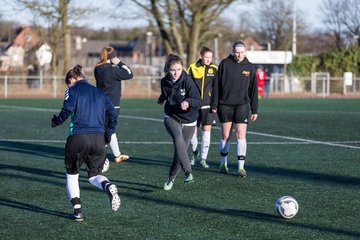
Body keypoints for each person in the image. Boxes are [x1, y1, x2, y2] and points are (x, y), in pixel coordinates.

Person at [51, 65, 121, 221]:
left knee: (72, 175)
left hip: (78, 138)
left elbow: (67, 109)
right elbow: (112, 115)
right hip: (98, 139)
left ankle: (77, 211)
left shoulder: (72, 90)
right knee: (95, 175)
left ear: (71, 80)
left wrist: (56, 121)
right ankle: (108, 186)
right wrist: (108, 135)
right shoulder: (99, 92)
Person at [211, 40, 258, 177]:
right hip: (225, 105)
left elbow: (253, 90)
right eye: (237, 52)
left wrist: (254, 109)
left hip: (242, 105)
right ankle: (223, 162)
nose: (239, 55)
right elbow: (217, 86)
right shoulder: (225, 64)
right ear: (233, 51)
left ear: (245, 52)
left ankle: (240, 167)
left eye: (242, 52)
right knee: (226, 135)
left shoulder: (250, 67)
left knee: (241, 135)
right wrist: (214, 104)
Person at [158, 54, 202, 191]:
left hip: (189, 119)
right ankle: (188, 172)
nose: (176, 72)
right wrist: (161, 98)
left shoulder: (188, 81)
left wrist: (188, 102)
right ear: (167, 69)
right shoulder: (164, 81)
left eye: (178, 69)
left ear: (182, 68)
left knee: (180, 152)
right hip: (172, 116)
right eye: (172, 70)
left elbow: (198, 102)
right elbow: (167, 95)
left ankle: (171, 178)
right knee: (178, 139)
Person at [94, 46, 133, 170]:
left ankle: (117, 155)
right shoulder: (114, 70)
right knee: (108, 132)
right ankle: (100, 159)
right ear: (113, 57)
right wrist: (120, 63)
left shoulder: (97, 69)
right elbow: (130, 74)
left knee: (108, 130)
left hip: (100, 104)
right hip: (113, 106)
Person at [187, 46, 218, 169]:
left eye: (210, 57)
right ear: (201, 56)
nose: (208, 60)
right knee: (192, 133)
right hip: (194, 106)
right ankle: (194, 154)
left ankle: (203, 159)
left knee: (206, 132)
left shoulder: (215, 69)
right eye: (206, 57)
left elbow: (217, 89)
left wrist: (215, 104)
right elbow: (187, 85)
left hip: (208, 106)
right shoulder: (192, 68)